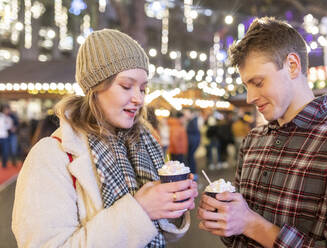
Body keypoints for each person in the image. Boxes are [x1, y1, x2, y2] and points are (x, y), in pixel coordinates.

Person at [12, 29, 198, 248]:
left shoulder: (141, 144)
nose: (138, 98)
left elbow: (158, 233)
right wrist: (141, 210)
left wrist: (173, 205)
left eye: (143, 88)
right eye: (126, 86)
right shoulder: (51, 155)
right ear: (95, 87)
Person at [198, 17, 327, 247]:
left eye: (258, 82)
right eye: (246, 86)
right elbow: (236, 237)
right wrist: (225, 219)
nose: (250, 97)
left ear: (292, 65)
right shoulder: (253, 140)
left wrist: (252, 224)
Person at [185, 109, 201, 178]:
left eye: (186, 113)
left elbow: (195, 132)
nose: (185, 115)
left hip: (192, 142)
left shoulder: (193, 121)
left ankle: (193, 174)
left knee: (191, 158)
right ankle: (193, 173)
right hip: (192, 142)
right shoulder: (193, 120)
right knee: (190, 158)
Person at [0, 104, 12, 168]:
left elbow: (9, 127)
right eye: (7, 109)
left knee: (5, 152)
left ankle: (4, 164)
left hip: (5, 137)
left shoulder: (9, 118)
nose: (8, 111)